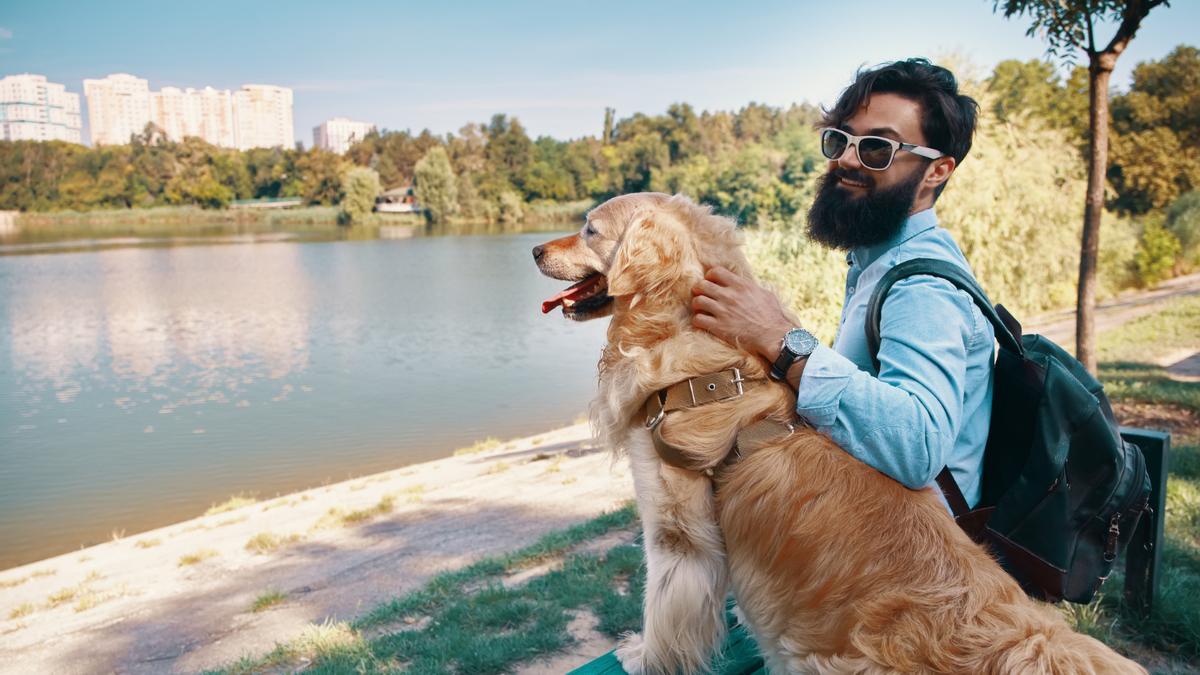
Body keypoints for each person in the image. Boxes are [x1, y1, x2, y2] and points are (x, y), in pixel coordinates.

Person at [692, 58, 993, 509]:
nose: (847, 159)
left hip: (901, 567)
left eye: (877, 148)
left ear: (936, 171)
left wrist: (781, 340)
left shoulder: (921, 285)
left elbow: (918, 447)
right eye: (840, 140)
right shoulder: (879, 261)